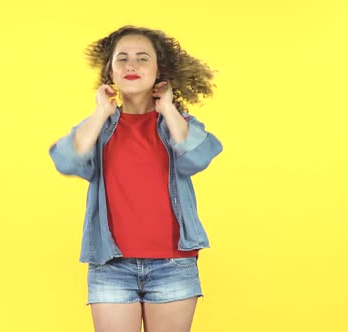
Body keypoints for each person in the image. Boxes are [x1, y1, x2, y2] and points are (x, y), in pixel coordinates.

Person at [48, 25, 223, 332]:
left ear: (159, 71)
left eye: (143, 58)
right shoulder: (99, 128)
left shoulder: (176, 124)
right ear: (110, 72)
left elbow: (197, 156)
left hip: (173, 264)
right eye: (122, 58)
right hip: (110, 267)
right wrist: (101, 112)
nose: (131, 65)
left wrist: (167, 108)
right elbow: (66, 159)